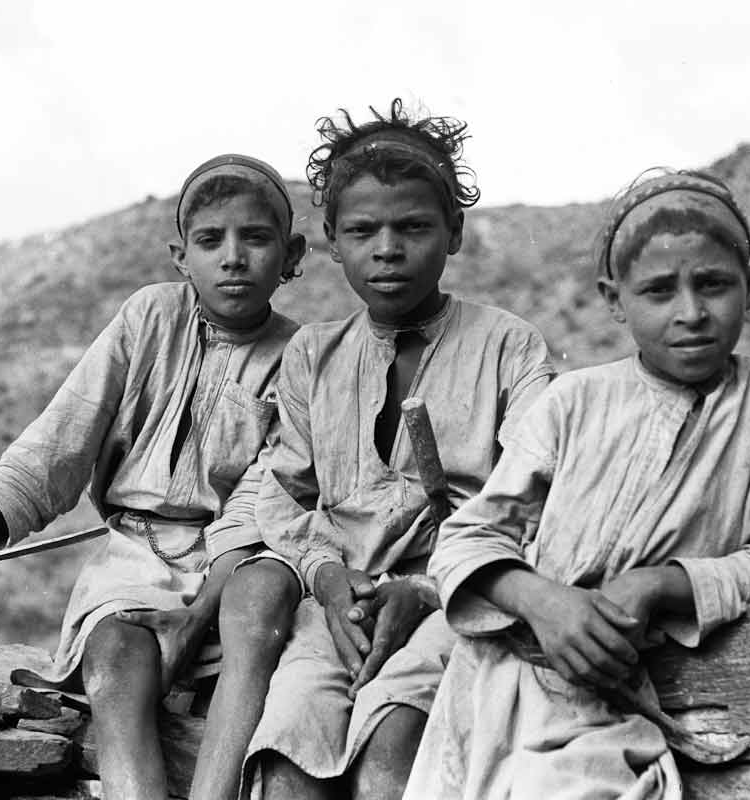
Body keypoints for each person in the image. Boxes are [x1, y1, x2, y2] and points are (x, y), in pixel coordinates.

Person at [0, 154, 306, 800]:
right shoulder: (149, 317)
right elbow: (55, 445)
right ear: (180, 257)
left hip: (235, 568)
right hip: (133, 557)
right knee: (115, 661)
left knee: (246, 659)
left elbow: (260, 505)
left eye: (255, 238)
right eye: (210, 241)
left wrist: (199, 616)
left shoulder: (303, 357)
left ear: (292, 254)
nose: (233, 258)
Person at [404, 169, 750, 800]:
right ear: (615, 299)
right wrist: (544, 602)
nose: (691, 314)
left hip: (629, 688)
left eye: (713, 284)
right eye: (658, 291)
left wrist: (658, 584)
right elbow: (467, 538)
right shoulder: (573, 401)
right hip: (505, 676)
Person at [201, 100, 555, 800]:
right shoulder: (313, 355)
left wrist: (427, 588)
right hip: (341, 607)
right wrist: (329, 579)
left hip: (459, 601)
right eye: (362, 231)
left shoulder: (509, 348)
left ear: (454, 233)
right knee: (289, 754)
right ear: (332, 240)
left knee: (392, 745)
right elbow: (284, 497)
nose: (387, 249)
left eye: (414, 227)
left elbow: (535, 499)